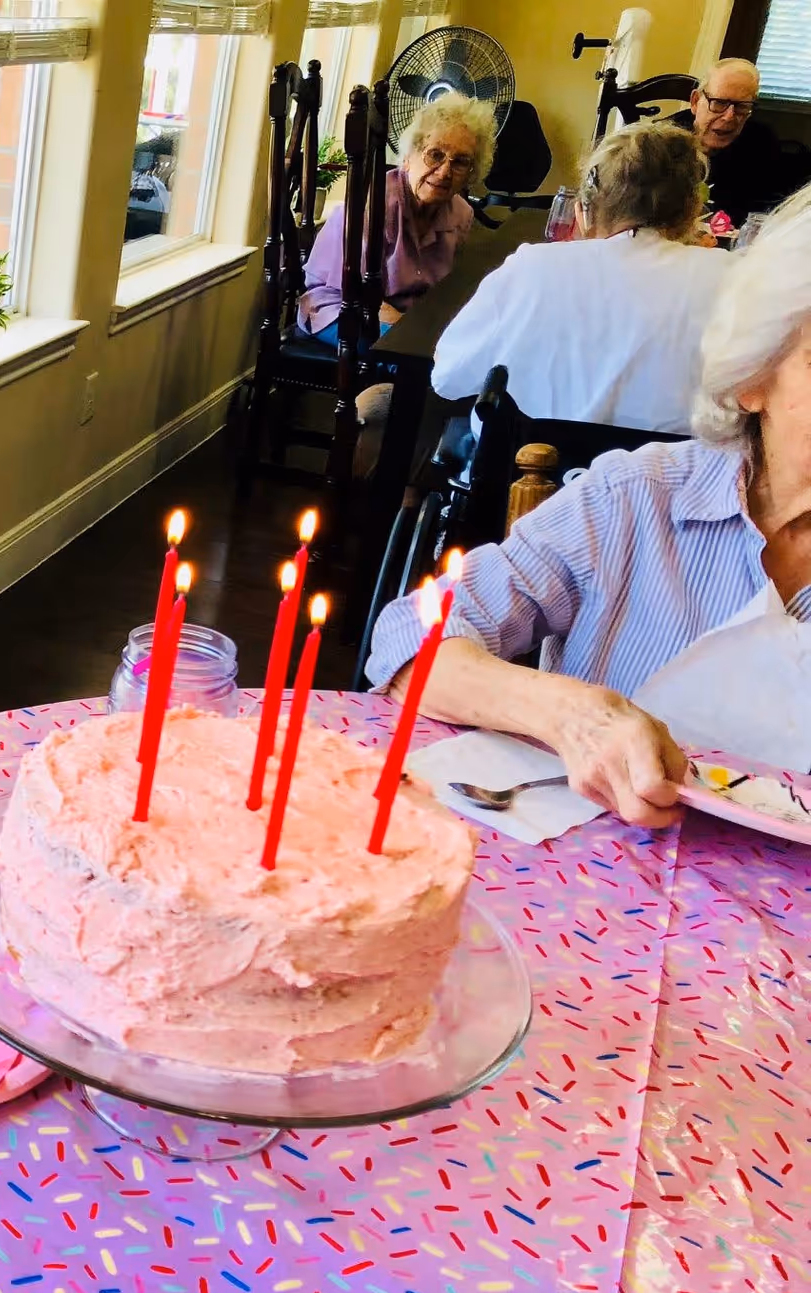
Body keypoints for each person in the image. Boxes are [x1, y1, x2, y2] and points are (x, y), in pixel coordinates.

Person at [364, 186, 811, 824]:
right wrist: (572, 715)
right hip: (594, 895)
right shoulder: (638, 500)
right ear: (753, 379)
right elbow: (412, 638)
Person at [430, 123, 729, 435]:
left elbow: (447, 378)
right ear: (691, 212)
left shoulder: (532, 267)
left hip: (524, 475)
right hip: (669, 479)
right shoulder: (729, 276)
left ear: (585, 210)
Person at [297, 92, 496, 343]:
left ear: (470, 173)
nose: (445, 171)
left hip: (408, 318)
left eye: (460, 162)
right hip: (340, 307)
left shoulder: (460, 215)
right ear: (408, 157)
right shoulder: (375, 205)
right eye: (435, 154)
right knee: (413, 354)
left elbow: (447, 294)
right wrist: (415, 331)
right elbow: (355, 294)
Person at [672, 57, 787, 228]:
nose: (729, 116)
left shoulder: (761, 143)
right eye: (719, 103)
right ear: (695, 102)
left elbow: (765, 213)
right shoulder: (663, 143)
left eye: (741, 107)